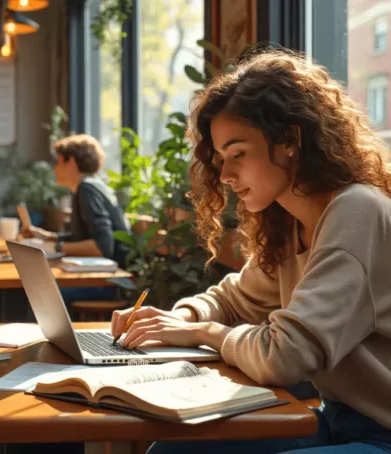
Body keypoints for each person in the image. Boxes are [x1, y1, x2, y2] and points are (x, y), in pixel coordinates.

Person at [111, 48, 391, 453]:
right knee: (176, 449)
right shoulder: (292, 221)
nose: (224, 175)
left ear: (289, 140)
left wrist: (202, 332)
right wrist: (177, 319)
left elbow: (285, 356)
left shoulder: (356, 210)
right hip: (337, 419)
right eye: (222, 158)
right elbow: (234, 298)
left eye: (238, 154)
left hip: (381, 434)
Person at [23, 134, 131, 306]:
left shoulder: (87, 189)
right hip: (104, 277)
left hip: (109, 283)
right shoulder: (92, 186)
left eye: (58, 162)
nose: (54, 169)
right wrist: (47, 237)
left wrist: (55, 247)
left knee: (38, 294)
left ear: (71, 162)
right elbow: (83, 237)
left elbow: (102, 247)